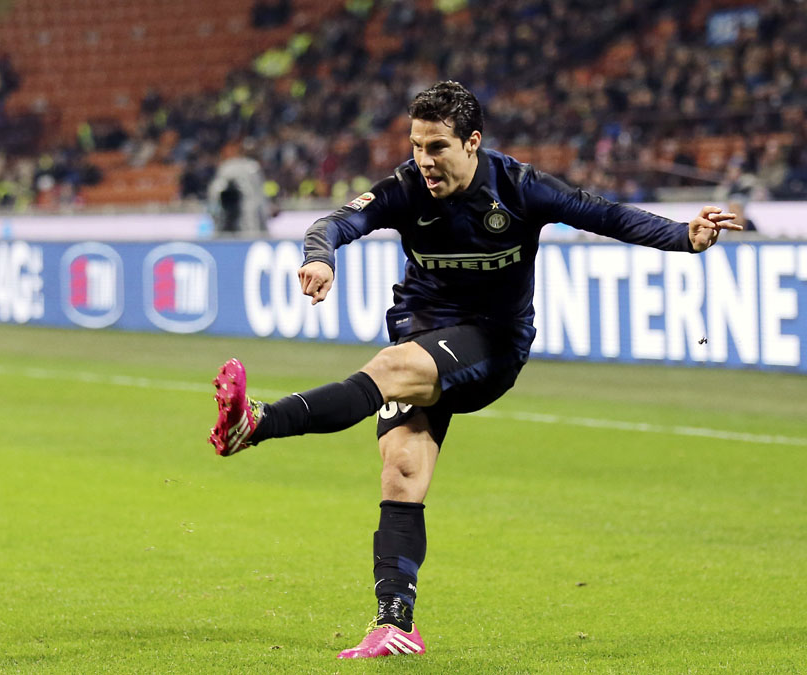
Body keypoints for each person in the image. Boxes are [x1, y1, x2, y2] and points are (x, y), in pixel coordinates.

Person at [207, 81, 740, 660]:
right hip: (422, 334)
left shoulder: (518, 187)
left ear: (472, 142)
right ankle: (396, 624)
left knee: (392, 368)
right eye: (415, 146)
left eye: (436, 147)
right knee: (402, 469)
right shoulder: (406, 189)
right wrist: (319, 258)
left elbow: (602, 214)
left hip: (493, 344)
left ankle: (257, 423)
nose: (424, 161)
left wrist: (685, 237)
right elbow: (334, 224)